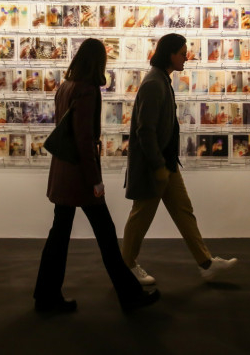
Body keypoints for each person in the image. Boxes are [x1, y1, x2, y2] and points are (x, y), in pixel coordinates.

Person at [34, 38, 159, 313]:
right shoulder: (87, 90)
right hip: (79, 176)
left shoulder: (66, 86)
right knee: (106, 236)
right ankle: (130, 296)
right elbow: (84, 140)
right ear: (98, 62)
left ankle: (46, 296)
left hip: (63, 171)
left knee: (60, 236)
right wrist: (95, 181)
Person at [122, 33, 238, 284]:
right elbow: (145, 130)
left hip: (166, 163)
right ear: (170, 54)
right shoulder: (154, 83)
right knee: (141, 216)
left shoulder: (162, 80)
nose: (187, 57)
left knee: (183, 211)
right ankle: (126, 266)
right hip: (155, 166)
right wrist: (157, 165)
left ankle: (206, 263)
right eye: (183, 53)